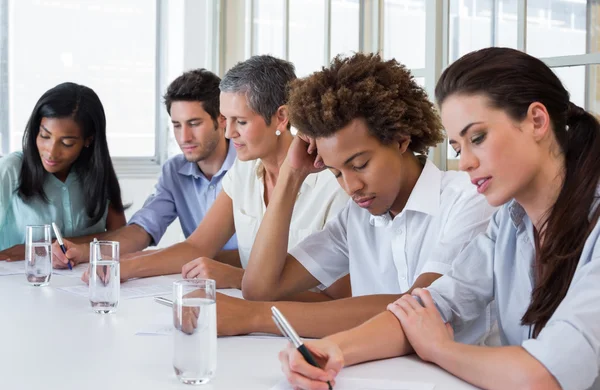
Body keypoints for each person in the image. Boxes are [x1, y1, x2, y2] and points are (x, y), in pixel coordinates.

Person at [277, 47, 600, 390]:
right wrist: (336, 350)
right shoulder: (508, 224)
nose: (464, 164)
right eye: (460, 148)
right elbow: (427, 307)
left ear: (537, 120)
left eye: (478, 138)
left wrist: (441, 349)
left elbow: (542, 380)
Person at [212, 53, 495, 339]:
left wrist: (255, 318)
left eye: (359, 165)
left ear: (400, 140)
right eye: (336, 172)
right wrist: (291, 175)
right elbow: (260, 288)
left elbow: (420, 306)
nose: (351, 187)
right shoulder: (355, 218)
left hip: (457, 382)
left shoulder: (468, 199)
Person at [96, 55, 348, 288]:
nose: (229, 134)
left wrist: (240, 279)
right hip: (251, 316)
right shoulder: (245, 169)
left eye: (241, 121)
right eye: (227, 121)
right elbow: (197, 245)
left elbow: (337, 296)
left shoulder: (334, 184)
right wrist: (125, 267)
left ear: (281, 117)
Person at [52, 69, 239, 270]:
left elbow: (255, 257)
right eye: (177, 125)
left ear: (222, 119)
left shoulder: (248, 167)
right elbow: (142, 230)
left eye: (194, 124)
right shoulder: (175, 171)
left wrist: (161, 260)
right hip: (200, 282)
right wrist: (85, 252)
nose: (184, 137)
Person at [0, 82, 126, 260]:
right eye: (44, 136)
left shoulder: (97, 172)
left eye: (67, 143)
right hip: (21, 282)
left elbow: (124, 241)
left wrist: (41, 248)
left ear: (88, 140)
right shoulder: (10, 170)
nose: (51, 152)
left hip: (83, 283)